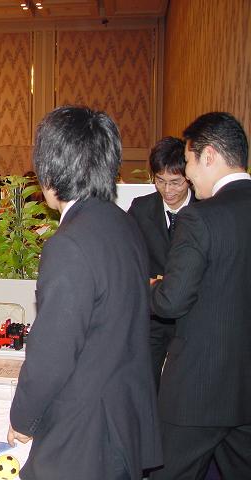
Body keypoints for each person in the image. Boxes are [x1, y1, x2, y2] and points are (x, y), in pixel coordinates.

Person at [8, 106, 162, 480]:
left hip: (85, 432)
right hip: (123, 414)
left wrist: (22, 419)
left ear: (50, 171)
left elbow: (53, 352)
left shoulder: (69, 243)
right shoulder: (123, 222)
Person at [149, 112, 251, 480]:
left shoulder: (199, 218)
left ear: (208, 156)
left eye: (189, 161)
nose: (188, 174)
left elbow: (171, 301)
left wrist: (153, 287)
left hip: (198, 390)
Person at [128, 136, 195, 390]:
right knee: (145, 384)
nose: (168, 190)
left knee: (184, 389)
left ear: (189, 177)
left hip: (191, 315)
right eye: (160, 181)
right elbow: (129, 256)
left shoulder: (205, 209)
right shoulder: (141, 208)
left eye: (176, 182)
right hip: (153, 316)